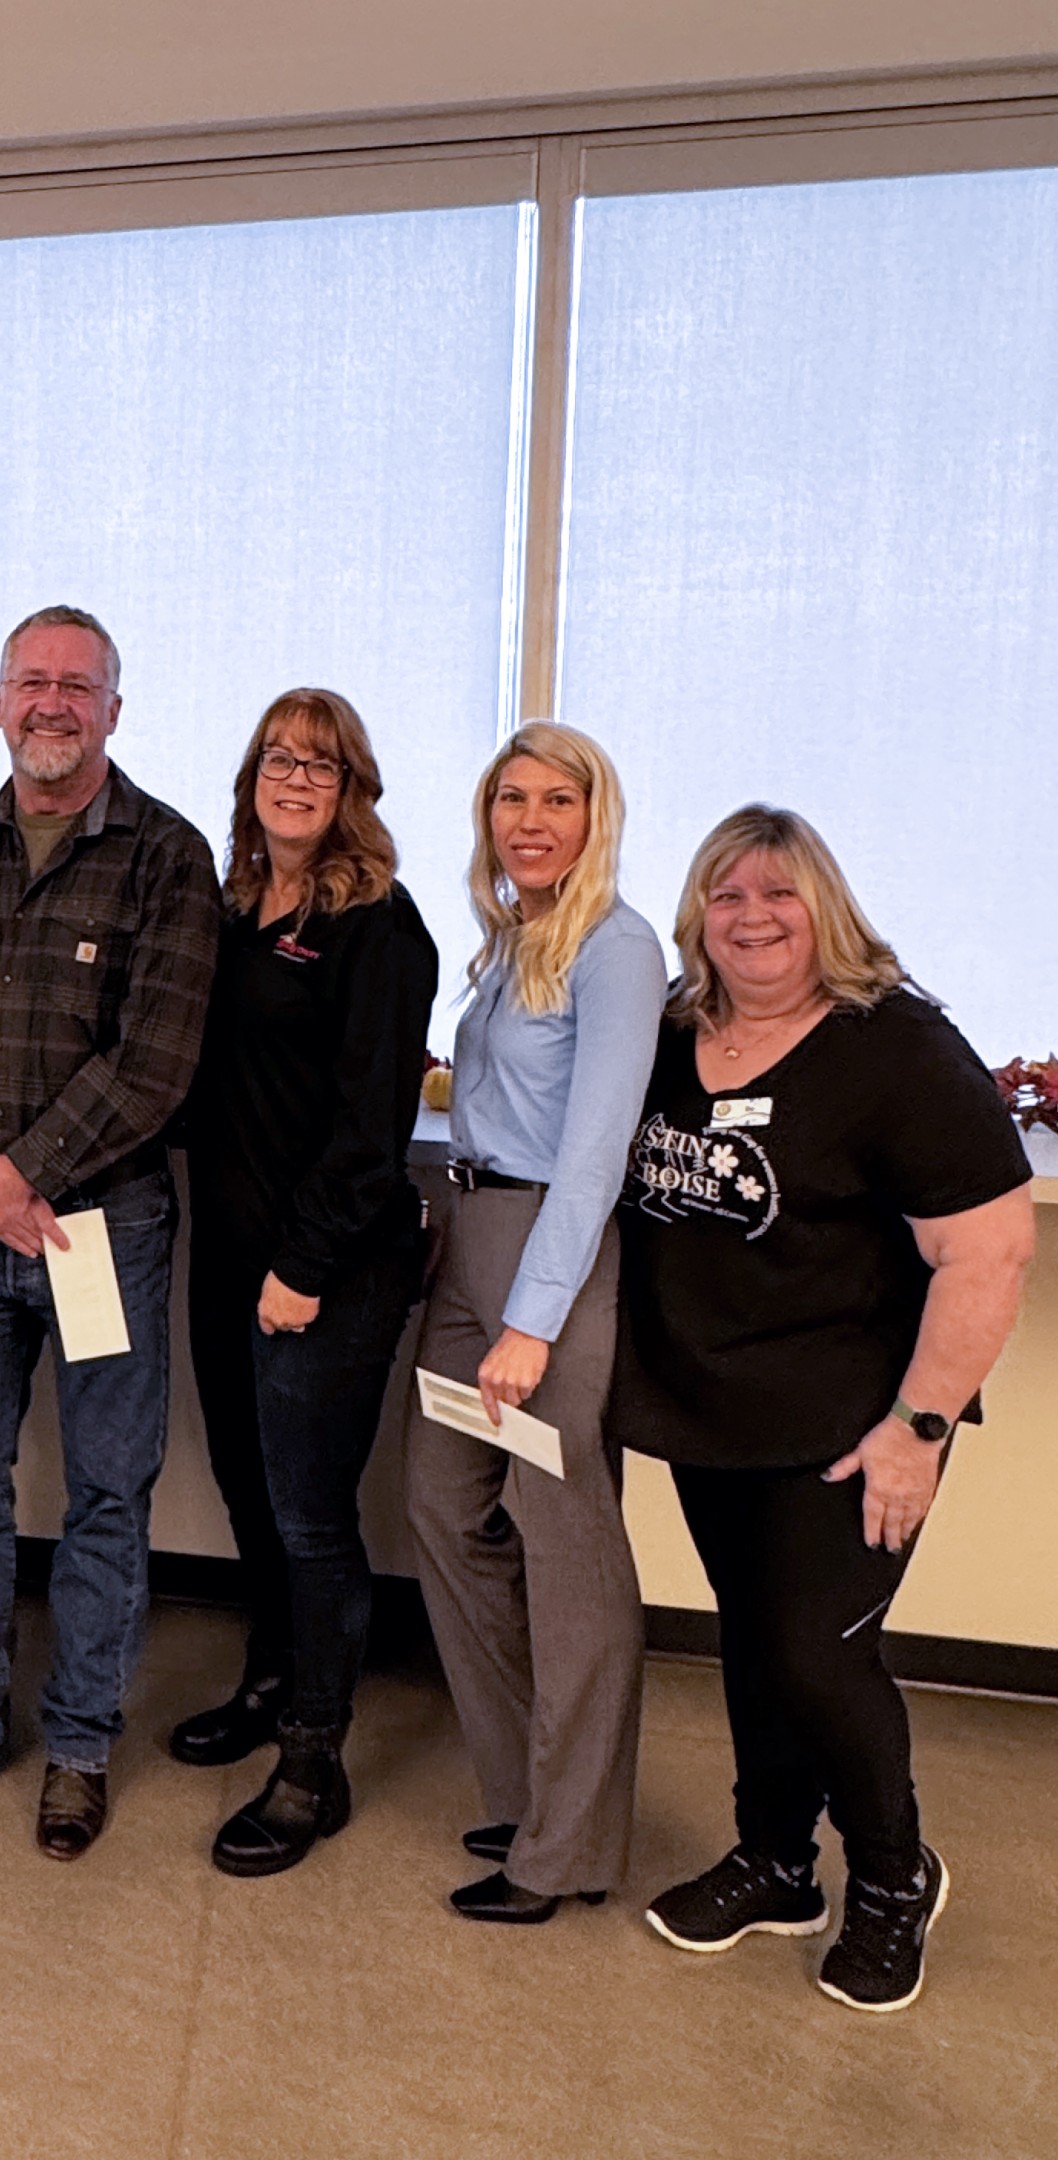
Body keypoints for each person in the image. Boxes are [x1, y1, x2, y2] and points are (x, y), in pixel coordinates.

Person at [616, 805, 1033, 2012]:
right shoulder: (676, 1032)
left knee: (820, 1655)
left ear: (826, 907)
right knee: (757, 1643)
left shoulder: (895, 1046)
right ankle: (777, 1861)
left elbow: (990, 1252)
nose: (751, 917)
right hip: (714, 1409)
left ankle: (895, 1880)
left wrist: (919, 1431)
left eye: (778, 894)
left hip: (855, 1424)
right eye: (727, 895)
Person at [0, 603, 222, 1860]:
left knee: (107, 1494)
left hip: (99, 1235)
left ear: (114, 709)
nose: (53, 703)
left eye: (79, 685)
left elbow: (156, 1061)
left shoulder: (169, 859)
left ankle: (79, 1747)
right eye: (33, 682)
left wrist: (22, 1175)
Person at [177, 689, 439, 1876]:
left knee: (312, 1519)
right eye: (277, 759)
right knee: (247, 1488)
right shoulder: (235, 909)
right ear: (251, 780)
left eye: (320, 765)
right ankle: (271, 1680)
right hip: (229, 1258)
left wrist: (301, 1265)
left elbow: (371, 1128)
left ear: (352, 791)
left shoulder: (378, 925)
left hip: (326, 1271)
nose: (294, 779)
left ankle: (313, 1761)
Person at [404, 720, 662, 1923]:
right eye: (512, 797)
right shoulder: (515, 940)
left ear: (594, 816)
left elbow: (596, 1150)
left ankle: (568, 1849)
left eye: (560, 798)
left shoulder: (617, 947)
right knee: (440, 1505)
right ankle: (525, 1793)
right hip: (471, 1239)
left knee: (566, 1546)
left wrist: (534, 1318)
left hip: (548, 1258)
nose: (532, 819)